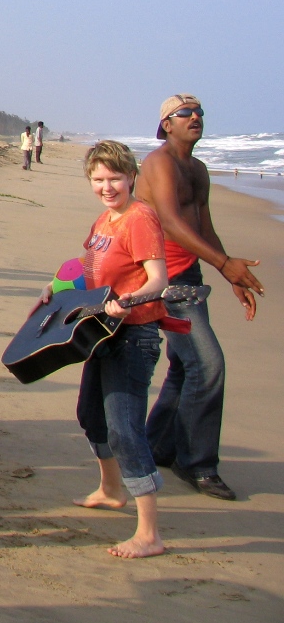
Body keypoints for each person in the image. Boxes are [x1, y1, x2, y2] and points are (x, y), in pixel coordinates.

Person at [33, 140, 167, 558]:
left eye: (114, 178)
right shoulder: (104, 221)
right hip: (102, 333)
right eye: (98, 179)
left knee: (126, 430)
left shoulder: (139, 217)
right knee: (91, 416)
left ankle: (149, 533)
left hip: (134, 335)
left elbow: (158, 279)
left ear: (131, 177)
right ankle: (111, 489)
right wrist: (54, 289)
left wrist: (127, 301)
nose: (107, 187)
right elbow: (86, 269)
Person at [135, 95, 264, 501]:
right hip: (162, 278)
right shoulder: (159, 164)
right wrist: (226, 264)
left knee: (186, 364)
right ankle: (198, 464)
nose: (195, 118)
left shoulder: (199, 169)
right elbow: (171, 223)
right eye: (184, 114)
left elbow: (203, 226)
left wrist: (231, 276)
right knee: (208, 364)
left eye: (199, 113)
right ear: (166, 125)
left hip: (188, 275)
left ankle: (158, 444)